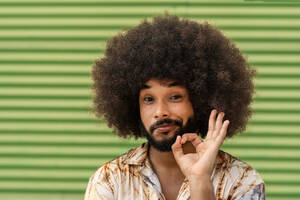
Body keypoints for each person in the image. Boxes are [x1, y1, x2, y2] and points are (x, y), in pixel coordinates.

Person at [84, 14, 265, 200]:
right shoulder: (109, 180)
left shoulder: (242, 181)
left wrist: (199, 179)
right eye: (148, 99)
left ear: (200, 100)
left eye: (175, 97)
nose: (160, 111)